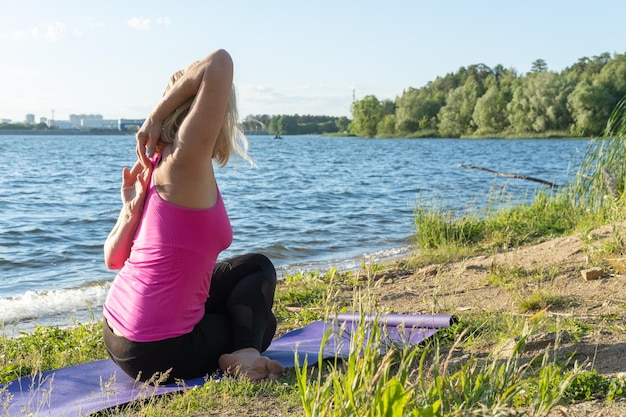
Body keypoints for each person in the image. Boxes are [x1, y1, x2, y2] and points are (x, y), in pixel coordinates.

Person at [102, 49, 285, 383]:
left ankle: (242, 350)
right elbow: (220, 62)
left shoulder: (157, 166)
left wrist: (130, 208)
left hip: (116, 332)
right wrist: (155, 115)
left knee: (253, 268)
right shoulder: (183, 159)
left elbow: (113, 259)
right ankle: (244, 353)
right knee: (264, 323)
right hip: (155, 351)